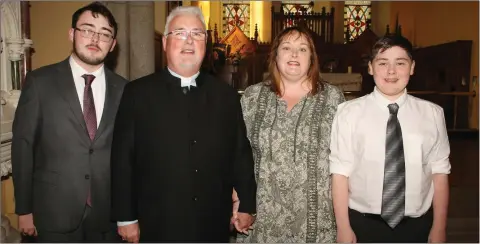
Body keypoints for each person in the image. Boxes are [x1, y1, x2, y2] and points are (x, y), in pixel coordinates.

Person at [110, 6, 257, 243]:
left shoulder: (225, 96)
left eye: (197, 34)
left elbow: (240, 154)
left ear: (205, 45)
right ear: (165, 43)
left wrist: (246, 204)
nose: (189, 40)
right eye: (180, 33)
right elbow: (122, 159)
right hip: (156, 223)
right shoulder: (137, 93)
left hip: (212, 223)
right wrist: (126, 218)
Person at [11, 2, 128, 242]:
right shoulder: (39, 82)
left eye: (105, 34)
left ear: (113, 44)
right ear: (72, 33)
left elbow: (130, 155)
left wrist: (130, 214)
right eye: (87, 29)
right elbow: (23, 147)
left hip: (108, 215)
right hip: (53, 211)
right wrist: (24, 209)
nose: (95, 38)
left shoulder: (126, 89)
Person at [330, 35, 451, 243]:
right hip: (363, 224)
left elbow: (439, 173)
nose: (391, 71)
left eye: (400, 63)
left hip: (417, 225)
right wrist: (343, 227)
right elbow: (340, 173)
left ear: (412, 67)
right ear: (370, 68)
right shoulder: (348, 113)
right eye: (383, 63)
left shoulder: (432, 114)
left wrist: (439, 227)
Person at [234, 26, 346, 243]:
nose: (294, 54)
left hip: (316, 221)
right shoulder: (253, 97)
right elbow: (238, 154)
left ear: (312, 59)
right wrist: (238, 201)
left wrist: (344, 222)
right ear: (275, 56)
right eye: (287, 48)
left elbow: (345, 161)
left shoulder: (333, 98)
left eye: (302, 49)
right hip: (262, 217)